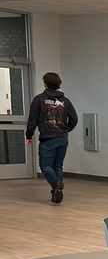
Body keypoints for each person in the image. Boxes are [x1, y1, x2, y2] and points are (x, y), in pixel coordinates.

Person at [25, 71, 78, 204]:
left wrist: (29, 134)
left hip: (47, 138)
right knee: (58, 166)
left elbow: (32, 120)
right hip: (63, 138)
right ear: (58, 84)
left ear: (45, 83)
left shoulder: (39, 99)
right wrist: (66, 129)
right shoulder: (65, 101)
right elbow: (74, 118)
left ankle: (56, 184)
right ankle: (56, 191)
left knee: (45, 166)